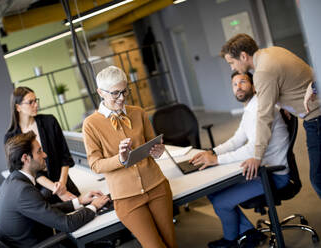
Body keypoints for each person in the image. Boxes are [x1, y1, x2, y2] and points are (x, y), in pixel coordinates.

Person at [190, 72, 290, 248]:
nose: (238, 87)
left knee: (221, 202)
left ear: (253, 85)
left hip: (271, 174)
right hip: (259, 170)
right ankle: (248, 234)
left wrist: (216, 160)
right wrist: (212, 151)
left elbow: (252, 149)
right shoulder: (250, 108)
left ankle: (231, 242)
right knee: (213, 190)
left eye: (243, 82)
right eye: (235, 84)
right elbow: (237, 139)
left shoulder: (259, 109)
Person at [83, 66, 177, 248]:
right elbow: (95, 165)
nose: (122, 97)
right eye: (115, 93)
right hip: (126, 198)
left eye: (125, 91)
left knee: (171, 243)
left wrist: (158, 151)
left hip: (157, 186)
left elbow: (152, 145)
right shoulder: (91, 124)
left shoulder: (138, 112)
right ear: (100, 92)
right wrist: (120, 158)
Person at [220, 33, 321, 198]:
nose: (232, 68)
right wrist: (284, 103)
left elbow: (264, 117)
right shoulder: (273, 52)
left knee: (319, 178)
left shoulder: (263, 72)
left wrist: (257, 156)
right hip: (317, 111)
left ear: (243, 56)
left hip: (316, 119)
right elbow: (290, 82)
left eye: (232, 62)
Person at [0, 131, 109, 248]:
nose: (45, 155)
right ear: (25, 158)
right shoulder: (23, 191)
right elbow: (67, 223)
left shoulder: (13, 181)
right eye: (39, 151)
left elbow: (45, 209)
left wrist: (79, 202)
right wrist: (94, 206)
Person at [4, 87, 80, 203]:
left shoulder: (49, 121)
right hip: (41, 192)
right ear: (18, 107)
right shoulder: (11, 137)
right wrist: (56, 189)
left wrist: (62, 185)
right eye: (30, 102)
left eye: (36, 100)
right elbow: (21, 169)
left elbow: (65, 156)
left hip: (63, 183)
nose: (36, 105)